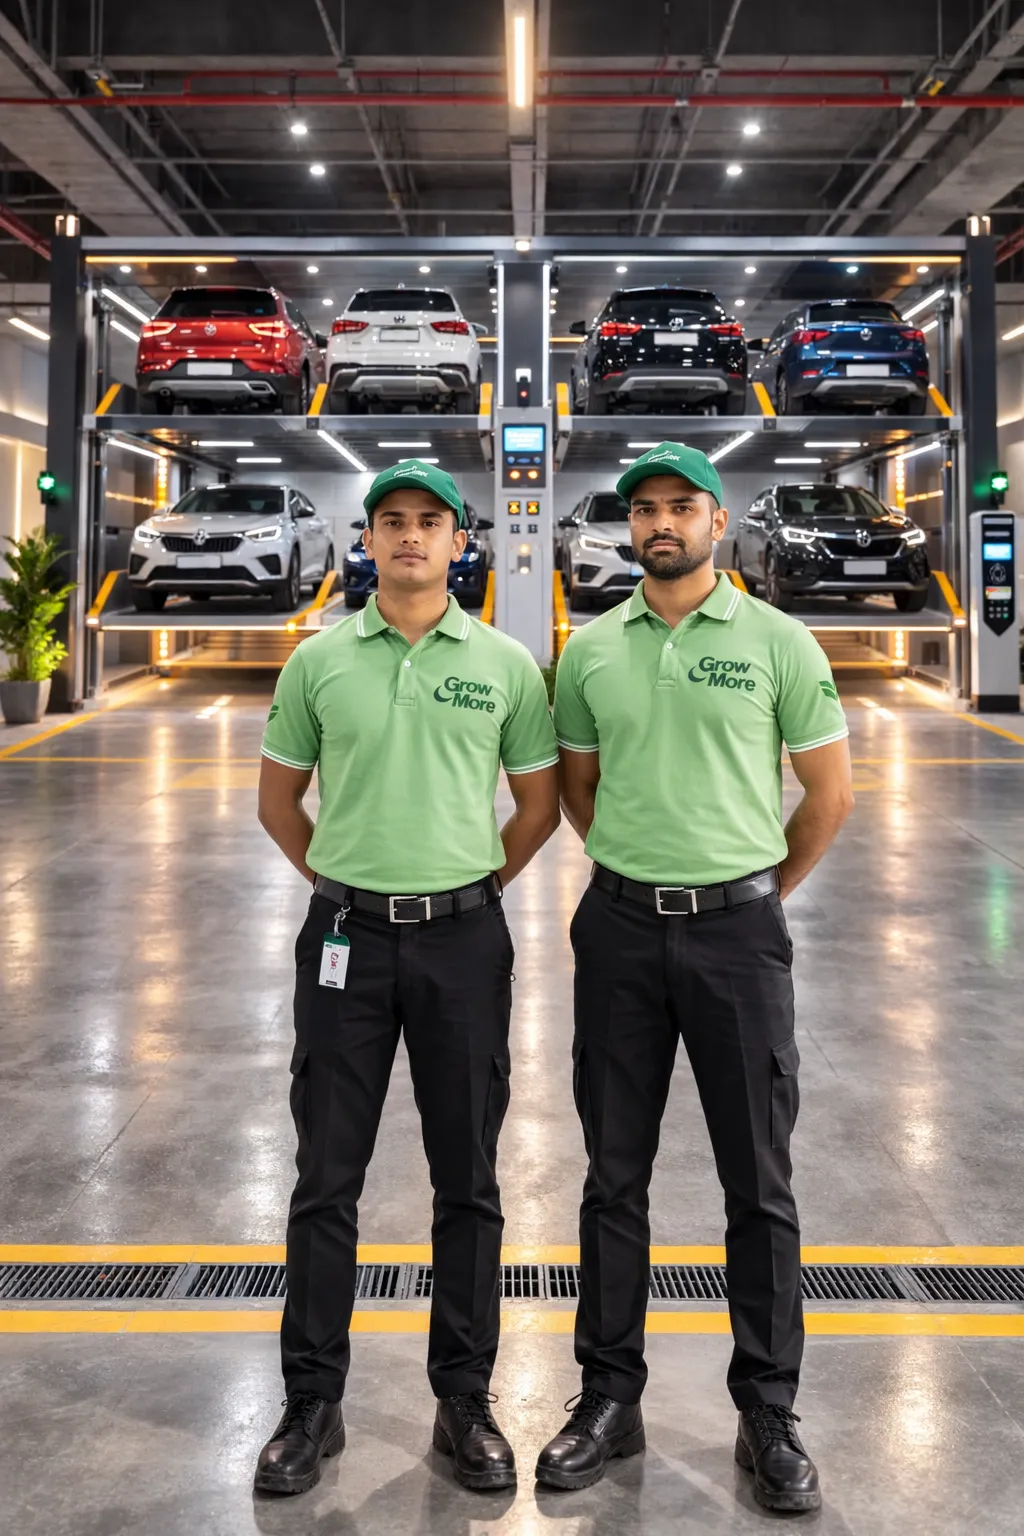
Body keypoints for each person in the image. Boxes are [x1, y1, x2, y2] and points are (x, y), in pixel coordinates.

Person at [540, 442, 854, 1513]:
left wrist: (754, 893)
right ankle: (607, 1396)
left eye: (682, 505)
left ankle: (768, 1410)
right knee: (611, 1175)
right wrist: (639, 871)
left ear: (719, 522)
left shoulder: (778, 641)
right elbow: (578, 790)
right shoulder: (590, 650)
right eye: (644, 510)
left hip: (738, 939)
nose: (661, 523)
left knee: (757, 1183)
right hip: (620, 931)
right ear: (629, 527)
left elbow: (827, 796)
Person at [254, 460, 559, 1496]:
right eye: (393, 521)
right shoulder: (319, 661)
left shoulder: (506, 664)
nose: (412, 537)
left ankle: (464, 1398)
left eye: (432, 521)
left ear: (460, 541)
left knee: (466, 1179)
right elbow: (279, 802)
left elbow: (536, 807)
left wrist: (464, 889)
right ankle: (312, 1401)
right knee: (325, 1178)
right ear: (369, 540)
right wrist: (347, 883)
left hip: (463, 944)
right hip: (346, 940)